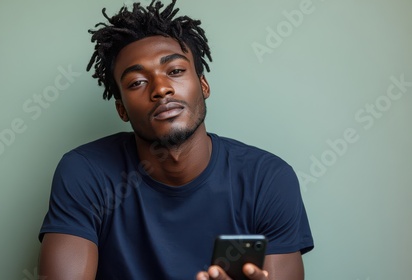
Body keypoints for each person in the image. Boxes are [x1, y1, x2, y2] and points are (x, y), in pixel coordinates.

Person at [38, 0, 314, 279]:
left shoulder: (267, 179)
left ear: (203, 85)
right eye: (137, 82)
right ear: (121, 109)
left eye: (175, 71)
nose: (161, 89)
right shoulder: (86, 173)